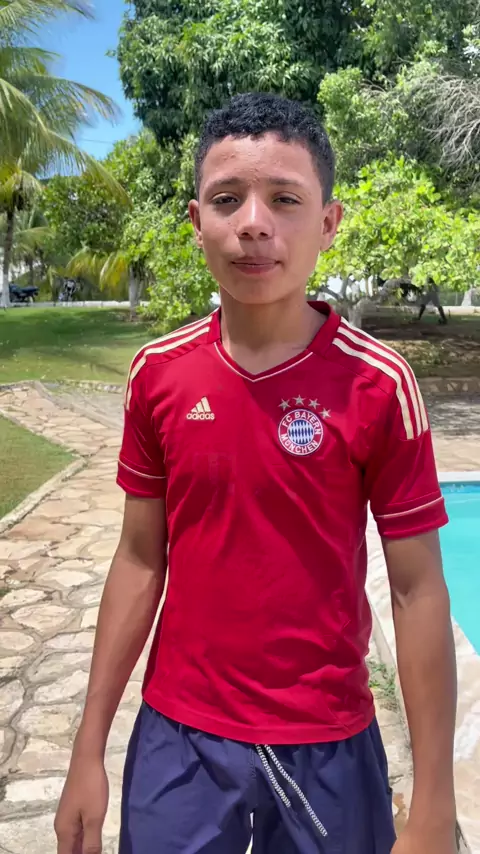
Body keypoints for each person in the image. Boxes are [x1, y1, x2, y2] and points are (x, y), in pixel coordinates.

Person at [55, 93, 457, 854]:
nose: (253, 224)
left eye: (285, 199)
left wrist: (434, 800)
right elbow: (139, 559)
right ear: (195, 220)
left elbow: (417, 590)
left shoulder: (378, 384)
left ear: (328, 223)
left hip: (328, 741)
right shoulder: (159, 374)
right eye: (226, 199)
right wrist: (87, 749)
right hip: (180, 738)